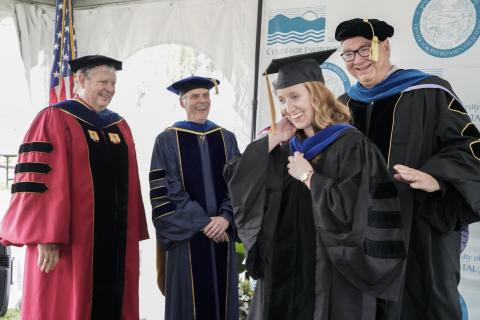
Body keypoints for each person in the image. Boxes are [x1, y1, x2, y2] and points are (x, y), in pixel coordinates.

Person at [225, 49, 407, 320]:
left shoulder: (351, 146)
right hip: (282, 269)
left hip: (332, 273)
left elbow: (356, 214)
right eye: (282, 99)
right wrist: (273, 139)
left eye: (295, 96)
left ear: (317, 94)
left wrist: (309, 178)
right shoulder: (283, 145)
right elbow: (237, 178)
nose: (288, 107)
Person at [335, 18, 480, 319]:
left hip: (417, 226)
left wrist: (436, 178)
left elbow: (469, 147)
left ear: (385, 47)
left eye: (364, 49)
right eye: (348, 54)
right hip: (361, 234)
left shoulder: (430, 92)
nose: (357, 60)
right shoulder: (341, 106)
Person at [0, 55, 149, 320]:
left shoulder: (119, 126)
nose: (110, 89)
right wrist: (47, 235)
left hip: (115, 244)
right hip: (71, 243)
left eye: (113, 83)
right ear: (81, 79)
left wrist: (131, 233)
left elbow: (130, 186)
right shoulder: (55, 118)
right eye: (103, 81)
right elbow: (41, 182)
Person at [150, 76, 239, 320]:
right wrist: (205, 223)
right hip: (187, 239)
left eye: (205, 95)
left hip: (222, 237)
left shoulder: (227, 138)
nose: (202, 101)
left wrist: (226, 217)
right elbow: (167, 191)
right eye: (194, 96)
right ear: (182, 102)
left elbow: (238, 184)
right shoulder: (166, 140)